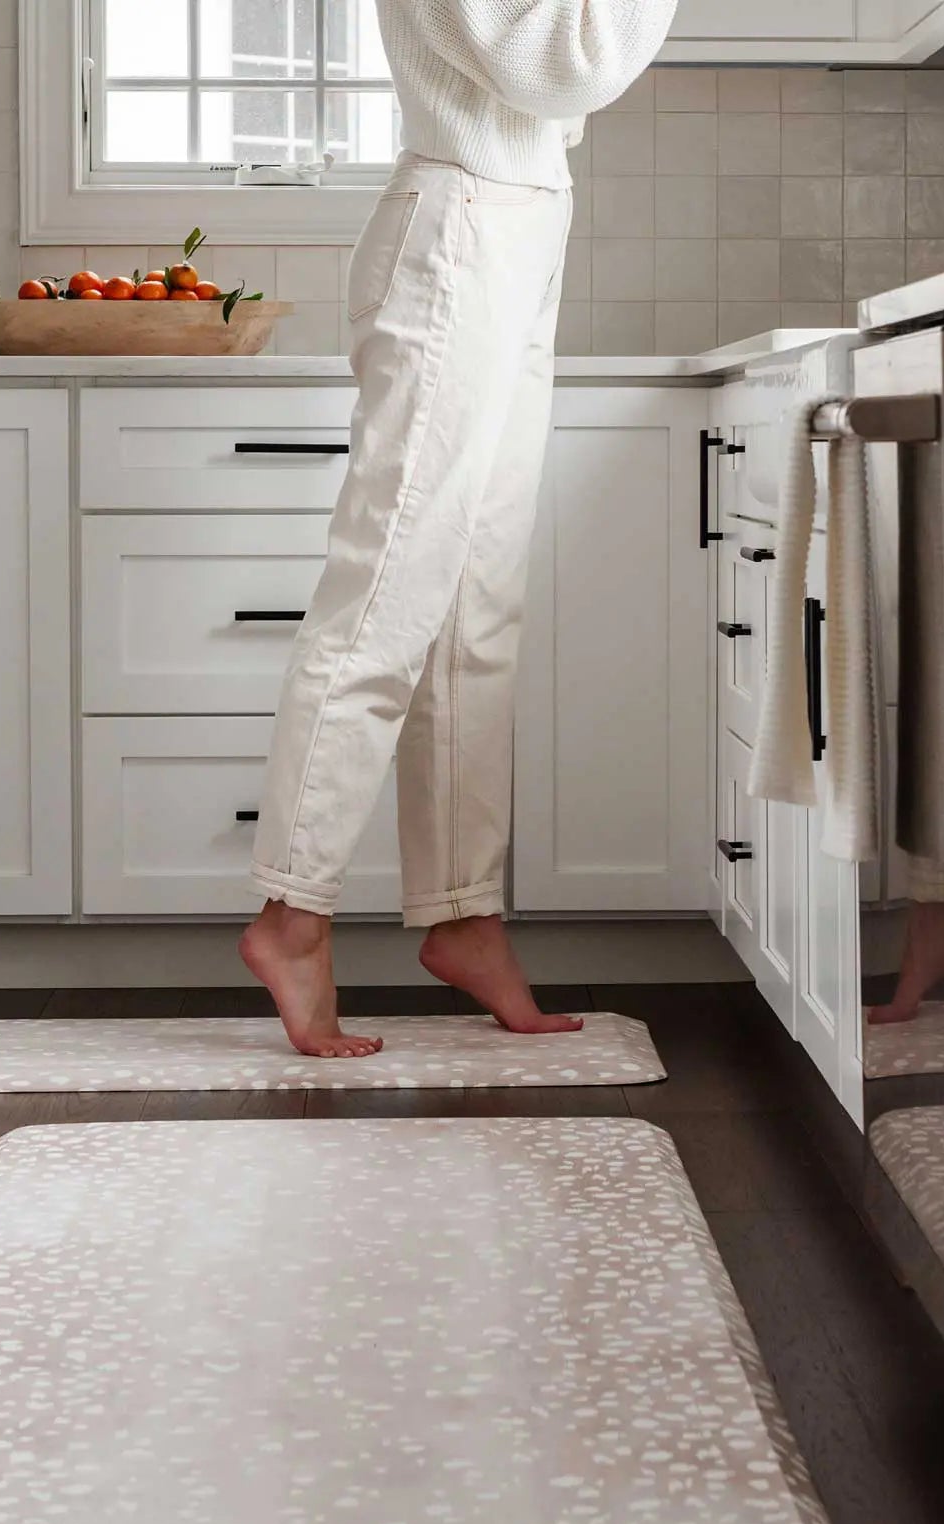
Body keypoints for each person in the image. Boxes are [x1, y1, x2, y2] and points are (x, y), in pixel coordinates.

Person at [241, 0, 679, 1058]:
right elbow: (566, 64)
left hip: (519, 220)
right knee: (385, 590)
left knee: (477, 602)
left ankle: (462, 911)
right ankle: (291, 913)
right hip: (461, 229)